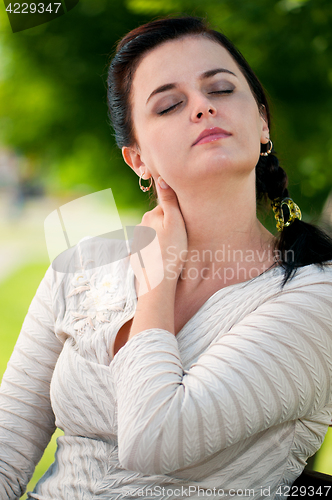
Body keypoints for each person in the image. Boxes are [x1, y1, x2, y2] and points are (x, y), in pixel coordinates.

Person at [1, 15, 332, 500]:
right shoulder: (83, 267)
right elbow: (8, 445)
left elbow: (154, 439)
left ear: (261, 122)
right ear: (137, 158)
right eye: (170, 104)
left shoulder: (315, 297)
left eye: (220, 89)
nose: (202, 107)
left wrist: (156, 281)